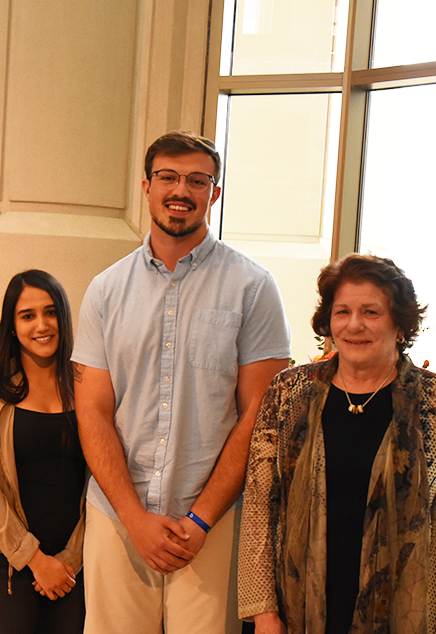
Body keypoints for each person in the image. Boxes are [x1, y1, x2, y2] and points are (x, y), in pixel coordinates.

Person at [72, 131, 292, 634]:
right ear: (146, 186)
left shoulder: (253, 287)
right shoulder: (106, 290)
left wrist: (201, 518)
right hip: (117, 516)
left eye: (197, 180)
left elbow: (259, 415)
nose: (181, 190)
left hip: (213, 521)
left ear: (214, 193)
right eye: (168, 177)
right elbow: (93, 411)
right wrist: (134, 517)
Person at [237, 254, 436, 634]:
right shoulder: (288, 392)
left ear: (400, 325)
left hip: (408, 613)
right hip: (299, 608)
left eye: (371, 312)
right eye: (342, 312)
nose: (354, 325)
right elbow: (260, 505)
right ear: (329, 321)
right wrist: (263, 611)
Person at [0, 270, 87, 634]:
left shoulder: (87, 389)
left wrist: (69, 560)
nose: (41, 325)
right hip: (6, 565)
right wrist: (34, 559)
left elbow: (98, 483)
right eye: (27, 315)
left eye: (50, 312)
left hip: (72, 567)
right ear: (12, 326)